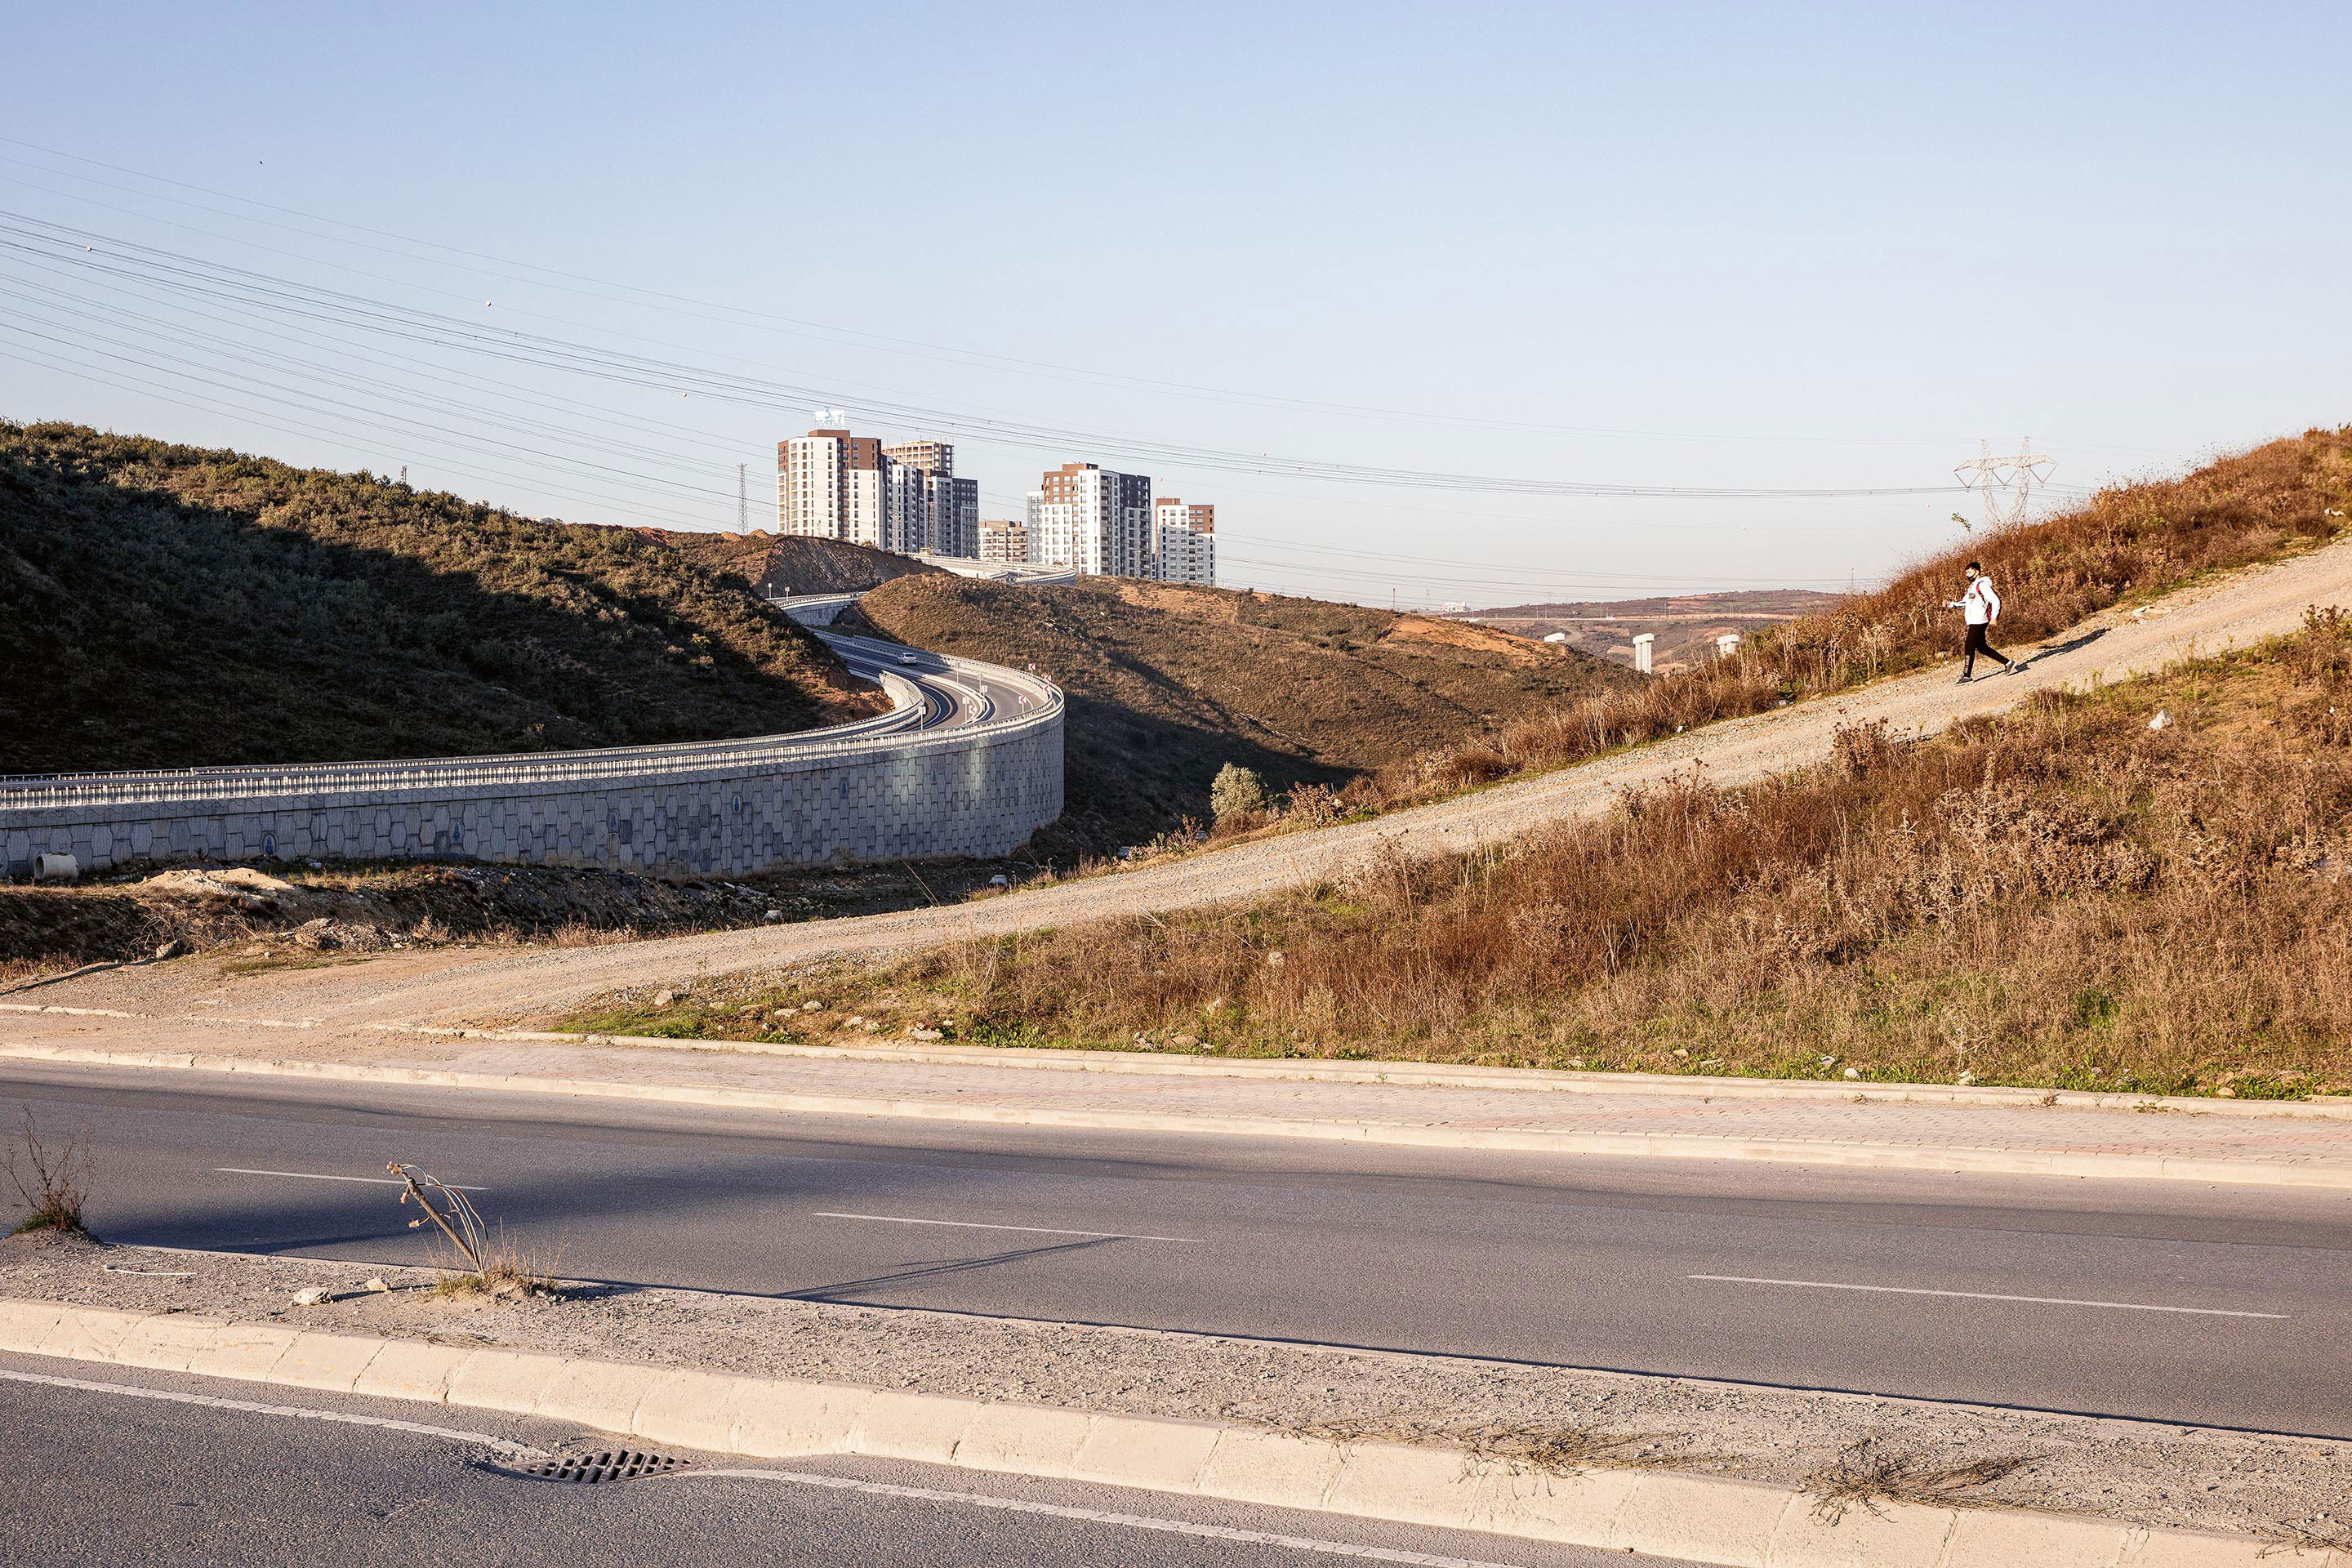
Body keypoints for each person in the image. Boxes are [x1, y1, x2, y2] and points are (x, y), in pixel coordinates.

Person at [1945, 561, 2020, 681]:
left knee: (1969, 645)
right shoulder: (1973, 586)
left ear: (1977, 571)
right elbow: (1965, 602)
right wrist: (1951, 604)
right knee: (1982, 648)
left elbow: (1995, 601)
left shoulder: (1983, 585)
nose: (1968, 575)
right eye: (1966, 573)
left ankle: (1967, 676)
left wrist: (1994, 617)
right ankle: (2008, 663)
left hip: (1979, 620)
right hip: (1974, 620)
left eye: (1970, 572)